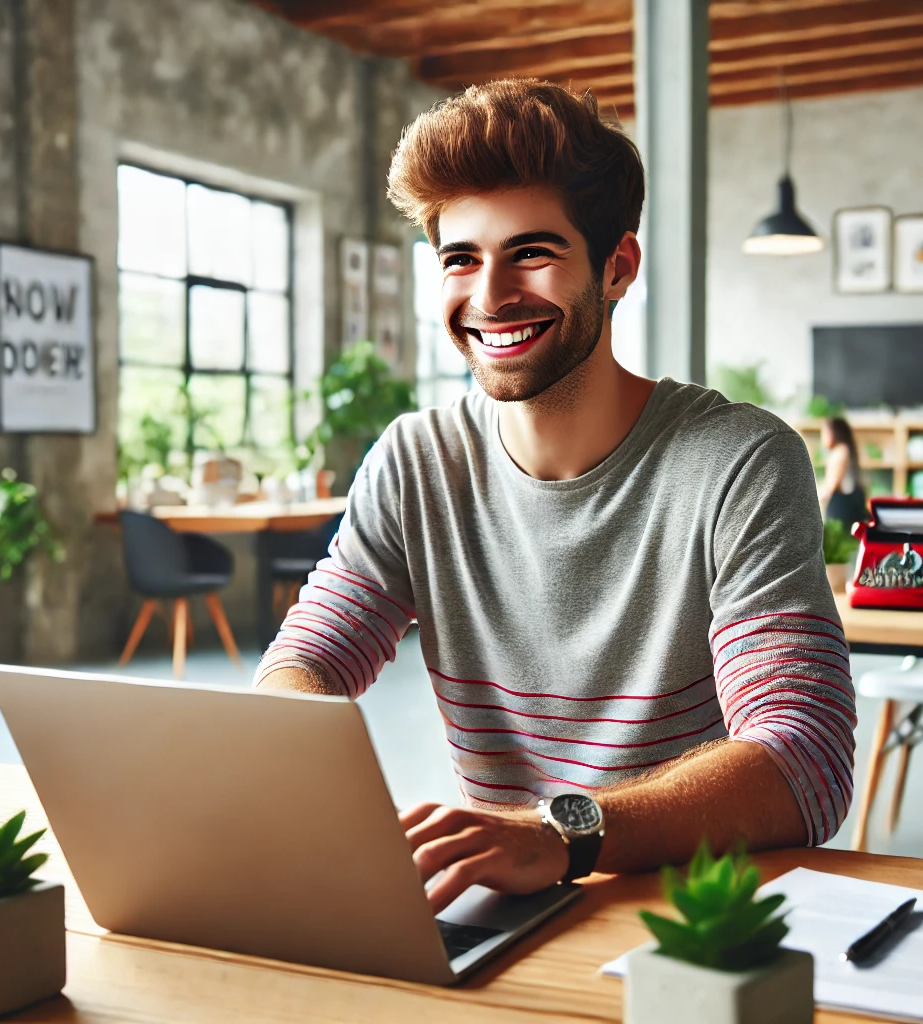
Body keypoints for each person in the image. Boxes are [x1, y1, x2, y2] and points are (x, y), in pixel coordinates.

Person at [254, 80, 855, 913]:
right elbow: (307, 659)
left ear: (617, 267)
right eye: (461, 259)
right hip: (505, 905)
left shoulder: (740, 461)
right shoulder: (415, 460)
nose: (490, 295)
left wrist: (560, 833)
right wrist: (289, 752)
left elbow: (804, 763)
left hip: (696, 910)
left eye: (531, 253)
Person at [818, 417, 868, 529]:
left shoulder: (839, 452)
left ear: (833, 433)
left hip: (842, 509)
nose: (822, 438)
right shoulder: (846, 450)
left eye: (824, 433)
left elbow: (831, 485)